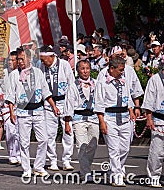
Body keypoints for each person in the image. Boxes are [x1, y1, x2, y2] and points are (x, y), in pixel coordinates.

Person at [7, 47, 59, 178]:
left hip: (38, 111)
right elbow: (10, 96)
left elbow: (46, 92)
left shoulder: (38, 72)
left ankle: (39, 166)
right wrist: (12, 112)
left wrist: (54, 106)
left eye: (22, 58)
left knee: (44, 139)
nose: (20, 61)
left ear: (29, 59)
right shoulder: (13, 75)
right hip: (23, 112)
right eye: (18, 59)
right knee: (24, 142)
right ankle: (26, 168)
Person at [94, 57, 135, 187]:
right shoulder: (102, 82)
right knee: (114, 149)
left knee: (125, 148)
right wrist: (102, 121)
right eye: (120, 70)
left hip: (124, 116)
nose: (122, 72)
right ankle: (117, 176)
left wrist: (132, 110)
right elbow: (99, 103)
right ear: (112, 69)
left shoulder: (124, 80)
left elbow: (128, 97)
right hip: (110, 117)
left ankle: (113, 171)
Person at [38, 45, 75, 171]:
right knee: (49, 134)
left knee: (68, 132)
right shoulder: (42, 67)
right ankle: (52, 160)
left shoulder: (64, 65)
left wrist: (70, 105)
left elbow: (71, 85)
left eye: (43, 59)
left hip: (64, 101)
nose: (42, 62)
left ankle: (66, 160)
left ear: (51, 56)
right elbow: (42, 87)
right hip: (49, 103)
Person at [64, 60, 98, 181]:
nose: (85, 71)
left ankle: (86, 167)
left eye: (87, 68)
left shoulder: (96, 83)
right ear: (78, 70)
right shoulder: (73, 85)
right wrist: (67, 122)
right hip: (78, 119)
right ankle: (85, 172)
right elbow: (69, 104)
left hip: (94, 118)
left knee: (93, 145)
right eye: (82, 68)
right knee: (82, 146)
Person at [142, 62, 164, 188]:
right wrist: (149, 118)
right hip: (159, 120)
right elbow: (148, 101)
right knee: (157, 152)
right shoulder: (155, 80)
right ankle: (154, 177)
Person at [1, 51, 21, 164]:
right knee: (10, 130)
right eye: (9, 60)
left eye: (13, 60)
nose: (10, 62)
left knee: (19, 132)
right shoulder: (3, 73)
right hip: (6, 105)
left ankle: (19, 154)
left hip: (19, 105)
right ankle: (12, 154)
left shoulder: (20, 73)